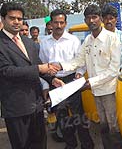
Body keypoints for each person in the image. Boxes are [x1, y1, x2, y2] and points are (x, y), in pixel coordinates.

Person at [54, 4, 122, 149]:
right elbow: (79, 61)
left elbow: (114, 70)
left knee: (113, 126)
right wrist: (61, 66)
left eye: (94, 17)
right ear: (85, 20)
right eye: (88, 18)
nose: (91, 20)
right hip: (95, 91)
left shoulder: (112, 39)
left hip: (109, 90)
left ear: (100, 19)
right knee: (103, 124)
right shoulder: (88, 40)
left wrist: (90, 82)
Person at [0, 2, 64, 149]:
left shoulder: (27, 41)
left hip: (36, 104)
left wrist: (52, 79)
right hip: (16, 107)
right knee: (22, 145)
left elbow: (38, 64)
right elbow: (6, 71)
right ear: (3, 19)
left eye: (19, 18)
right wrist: (39, 68)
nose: (17, 22)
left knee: (40, 143)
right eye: (12, 18)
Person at [39, 9, 94, 149]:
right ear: (50, 23)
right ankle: (70, 144)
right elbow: (42, 67)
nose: (58, 25)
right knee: (61, 116)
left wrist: (80, 73)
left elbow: (82, 61)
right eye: (55, 22)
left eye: (61, 22)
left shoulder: (73, 40)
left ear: (65, 23)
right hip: (54, 82)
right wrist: (46, 85)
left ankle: (87, 144)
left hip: (72, 80)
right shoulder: (44, 43)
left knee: (78, 115)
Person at [102, 4, 122, 69]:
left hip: (120, 75)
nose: (108, 21)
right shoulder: (98, 38)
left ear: (116, 19)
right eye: (106, 19)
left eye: (111, 18)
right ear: (102, 20)